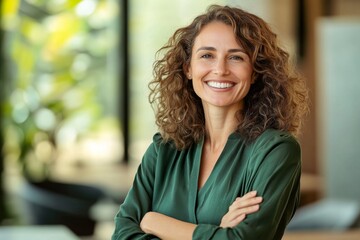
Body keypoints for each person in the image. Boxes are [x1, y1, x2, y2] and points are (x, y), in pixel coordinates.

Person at [112, 4, 309, 240]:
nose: (220, 69)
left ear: (255, 71)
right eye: (207, 55)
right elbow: (122, 234)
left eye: (236, 57)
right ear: (188, 68)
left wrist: (155, 222)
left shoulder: (276, 151)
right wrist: (218, 233)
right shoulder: (164, 149)